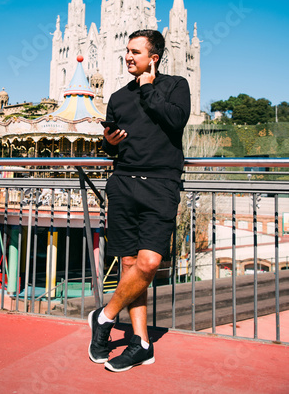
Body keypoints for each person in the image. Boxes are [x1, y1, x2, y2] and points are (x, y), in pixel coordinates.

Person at [88, 29, 190, 372]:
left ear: (154, 58)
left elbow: (175, 120)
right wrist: (109, 141)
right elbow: (110, 145)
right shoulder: (117, 97)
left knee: (148, 264)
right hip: (123, 184)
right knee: (130, 267)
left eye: (135, 52)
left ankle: (104, 316)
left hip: (161, 184)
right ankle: (141, 343)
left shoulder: (177, 86)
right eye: (126, 51)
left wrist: (148, 88)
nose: (128, 56)